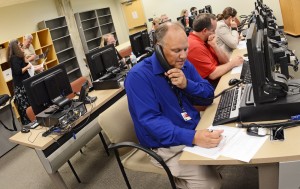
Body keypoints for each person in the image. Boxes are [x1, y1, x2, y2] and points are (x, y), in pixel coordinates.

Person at [125, 21, 223, 189]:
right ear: (158, 48)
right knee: (211, 184)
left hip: (191, 128)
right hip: (165, 145)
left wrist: (187, 84)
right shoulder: (138, 77)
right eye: (176, 50)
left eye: (185, 49)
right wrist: (193, 137)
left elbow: (208, 95)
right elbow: (152, 123)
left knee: (225, 150)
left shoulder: (183, 64)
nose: (183, 55)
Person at [187, 13, 243, 87]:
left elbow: (225, 61)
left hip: (219, 78)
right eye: (213, 30)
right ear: (204, 31)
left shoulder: (205, 40)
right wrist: (233, 63)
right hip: (213, 86)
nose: (214, 34)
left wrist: (215, 46)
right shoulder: (194, 46)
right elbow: (213, 75)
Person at [8, 40, 32, 125]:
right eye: (19, 45)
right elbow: (18, 71)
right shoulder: (14, 58)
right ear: (15, 47)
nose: (21, 46)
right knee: (25, 108)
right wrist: (28, 66)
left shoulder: (19, 56)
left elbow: (25, 62)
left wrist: (24, 56)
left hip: (25, 84)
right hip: (21, 87)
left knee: (30, 106)